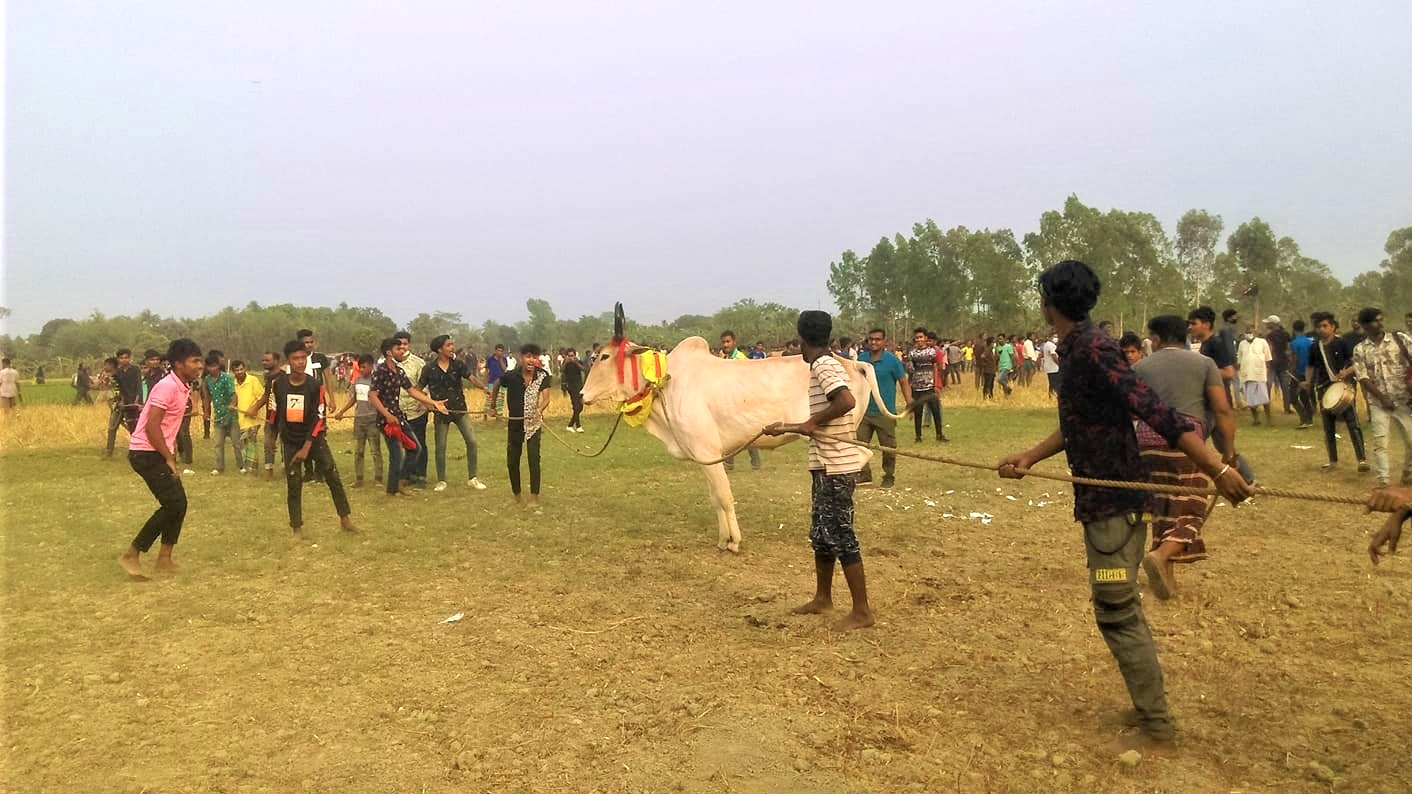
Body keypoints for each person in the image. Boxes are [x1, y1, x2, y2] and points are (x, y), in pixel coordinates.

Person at [998, 260, 1251, 751]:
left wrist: (1217, 469)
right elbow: (1081, 422)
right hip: (1102, 500)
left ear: (1049, 302)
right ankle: (1149, 710)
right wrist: (1031, 455)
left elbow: (1157, 413)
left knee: (1116, 609)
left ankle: (1157, 725)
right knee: (1117, 608)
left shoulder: (1094, 349)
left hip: (1116, 501)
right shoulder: (1077, 349)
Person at [763, 310, 875, 632]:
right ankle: (823, 598)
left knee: (841, 534)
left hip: (837, 465)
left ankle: (862, 611)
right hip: (824, 463)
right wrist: (794, 427)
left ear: (801, 339)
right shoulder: (822, 363)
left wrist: (810, 423)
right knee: (822, 535)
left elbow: (846, 401)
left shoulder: (824, 365)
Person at [1133, 315, 1239, 599]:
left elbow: (1130, 410)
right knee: (1192, 507)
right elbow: (1222, 410)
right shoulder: (1204, 364)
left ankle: (1167, 576)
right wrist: (1228, 453)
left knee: (1164, 506)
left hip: (1147, 439)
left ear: (1155, 339)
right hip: (1188, 441)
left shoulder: (1140, 366)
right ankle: (1162, 554)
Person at [118, 339, 204, 579]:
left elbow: (167, 426)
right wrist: (168, 458)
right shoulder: (167, 387)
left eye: (200, 360)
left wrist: (171, 449)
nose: (200, 365)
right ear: (178, 364)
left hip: (157, 450)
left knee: (179, 504)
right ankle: (132, 553)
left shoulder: (183, 385)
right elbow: (151, 427)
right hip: (145, 453)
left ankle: (164, 559)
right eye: (194, 361)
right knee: (173, 504)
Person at [274, 340, 358, 538]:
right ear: (288, 361)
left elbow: (318, 416)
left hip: (314, 439)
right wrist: (283, 438)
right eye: (295, 358)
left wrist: (307, 446)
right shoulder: (279, 384)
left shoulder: (314, 385)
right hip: (290, 441)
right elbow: (277, 412)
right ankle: (296, 528)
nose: (300, 362)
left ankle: (345, 520)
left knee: (333, 477)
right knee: (294, 484)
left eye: (303, 358)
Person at [369, 337, 447, 497]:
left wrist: (433, 402)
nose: (402, 350)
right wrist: (387, 415)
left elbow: (412, 391)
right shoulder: (380, 371)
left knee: (415, 448)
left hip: (399, 417)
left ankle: (399, 482)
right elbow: (373, 396)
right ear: (389, 353)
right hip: (387, 421)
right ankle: (393, 489)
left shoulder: (399, 372)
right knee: (396, 454)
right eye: (398, 349)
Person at [419, 334, 489, 492]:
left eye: (452, 345)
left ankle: (473, 478)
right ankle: (441, 481)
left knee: (472, 442)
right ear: (439, 349)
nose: (452, 348)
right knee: (441, 446)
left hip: (459, 409)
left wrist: (483, 387)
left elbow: (471, 378)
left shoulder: (458, 364)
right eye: (449, 345)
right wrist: (425, 403)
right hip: (441, 412)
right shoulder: (429, 368)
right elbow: (419, 389)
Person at [1351, 308, 1412, 488]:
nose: (1380, 323)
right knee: (1381, 442)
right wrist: (1382, 398)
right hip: (1378, 402)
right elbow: (1363, 377)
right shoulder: (1360, 349)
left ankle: (1408, 472)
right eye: (1375, 321)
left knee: (1411, 440)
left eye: (1380, 319)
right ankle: (1383, 480)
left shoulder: (1399, 340)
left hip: (1403, 399)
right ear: (1365, 325)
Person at [488, 343, 552, 509]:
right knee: (512, 461)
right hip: (515, 423)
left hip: (533, 424)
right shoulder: (511, 376)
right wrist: (493, 406)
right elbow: (496, 384)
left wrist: (540, 409)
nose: (531, 360)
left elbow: (546, 398)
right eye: (528, 356)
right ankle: (517, 494)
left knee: (533, 459)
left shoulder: (542, 376)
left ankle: (534, 497)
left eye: (534, 356)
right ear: (521, 358)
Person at [1305, 311, 1368, 472]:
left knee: (1352, 424)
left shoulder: (1342, 343)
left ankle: (1362, 460)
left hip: (1343, 387)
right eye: (1318, 326)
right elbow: (1311, 366)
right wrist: (1307, 381)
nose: (1321, 329)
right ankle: (1333, 462)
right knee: (1328, 427)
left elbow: (1357, 364)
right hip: (1324, 388)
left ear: (1333, 327)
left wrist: (1346, 373)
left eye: (1324, 326)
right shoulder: (1314, 347)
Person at [856, 328, 911, 489]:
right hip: (864, 411)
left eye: (877, 339)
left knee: (888, 447)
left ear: (884, 342)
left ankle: (888, 476)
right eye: (871, 339)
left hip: (885, 412)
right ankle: (864, 474)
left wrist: (910, 403)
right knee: (859, 444)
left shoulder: (892, 360)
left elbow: (903, 381)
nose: (874, 342)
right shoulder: (862, 359)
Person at [296, 329, 340, 482]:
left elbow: (328, 379)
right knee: (303, 435)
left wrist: (332, 399)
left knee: (319, 434)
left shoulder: (320, 358)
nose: (309, 345)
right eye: (305, 342)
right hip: (302, 401)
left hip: (319, 400)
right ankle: (308, 472)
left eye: (311, 342)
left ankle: (319, 472)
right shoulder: (297, 359)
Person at [334, 354, 384, 488]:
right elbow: (354, 399)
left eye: (364, 367)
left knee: (375, 451)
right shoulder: (357, 381)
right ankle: (359, 479)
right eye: (360, 367)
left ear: (371, 366)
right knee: (358, 451)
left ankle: (378, 479)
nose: (361, 369)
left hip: (373, 420)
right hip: (359, 420)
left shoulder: (376, 382)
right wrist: (341, 411)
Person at [720, 331, 762, 470]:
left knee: (744, 433)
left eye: (728, 341)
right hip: (730, 400)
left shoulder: (739, 358)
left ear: (734, 342)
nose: (725, 344)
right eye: (724, 342)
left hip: (741, 401)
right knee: (732, 432)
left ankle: (751, 463)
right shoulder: (727, 358)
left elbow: (748, 380)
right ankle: (732, 462)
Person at [202, 353, 242, 474]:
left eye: (214, 366)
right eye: (210, 366)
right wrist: (206, 412)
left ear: (218, 366)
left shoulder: (227, 378)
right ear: (207, 367)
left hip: (231, 415)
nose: (212, 369)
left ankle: (241, 466)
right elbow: (207, 398)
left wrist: (232, 404)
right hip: (219, 417)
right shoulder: (207, 380)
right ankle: (219, 467)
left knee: (236, 443)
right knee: (218, 444)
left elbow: (233, 394)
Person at [905, 328, 946, 442]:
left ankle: (939, 435)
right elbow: (910, 370)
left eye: (921, 337)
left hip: (930, 386)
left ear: (926, 338)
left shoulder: (931, 352)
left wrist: (936, 384)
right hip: (917, 387)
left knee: (935, 411)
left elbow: (936, 367)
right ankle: (918, 437)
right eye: (917, 337)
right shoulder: (912, 353)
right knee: (918, 412)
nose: (919, 340)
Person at [231, 360, 266, 477]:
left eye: (241, 369)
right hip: (239, 419)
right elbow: (234, 398)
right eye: (237, 370)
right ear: (233, 371)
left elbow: (262, 397)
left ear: (245, 368)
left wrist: (254, 409)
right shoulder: (233, 383)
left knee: (250, 443)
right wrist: (232, 405)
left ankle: (252, 469)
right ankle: (248, 467)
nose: (240, 372)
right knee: (242, 443)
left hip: (252, 419)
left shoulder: (253, 380)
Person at [105, 349, 143, 457]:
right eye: (121, 358)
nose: (124, 360)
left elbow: (138, 385)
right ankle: (109, 451)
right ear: (118, 359)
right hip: (120, 403)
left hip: (132, 403)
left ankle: (135, 451)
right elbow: (112, 385)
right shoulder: (117, 372)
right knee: (112, 427)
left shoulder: (135, 370)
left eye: (126, 357)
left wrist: (137, 400)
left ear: (130, 358)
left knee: (133, 428)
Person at [1236, 326, 1273, 426]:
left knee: (1265, 398)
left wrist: (1267, 373)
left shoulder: (1262, 342)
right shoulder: (1242, 344)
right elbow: (1239, 359)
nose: (1249, 334)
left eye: (1251, 332)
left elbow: (1268, 359)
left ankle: (1269, 419)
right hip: (1247, 374)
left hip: (1259, 374)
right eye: (1247, 332)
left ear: (1255, 333)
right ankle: (1256, 419)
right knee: (1250, 400)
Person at [259, 351, 285, 480]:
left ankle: (287, 469)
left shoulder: (284, 377)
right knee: (268, 443)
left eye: (267, 360)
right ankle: (268, 469)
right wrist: (254, 408)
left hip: (283, 417)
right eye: (263, 360)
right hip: (270, 417)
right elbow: (266, 395)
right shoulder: (268, 377)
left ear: (276, 361)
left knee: (285, 444)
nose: (264, 362)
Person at [1288, 319, 1316, 428]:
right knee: (1304, 396)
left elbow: (1294, 359)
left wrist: (1290, 371)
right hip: (1310, 371)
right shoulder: (1310, 341)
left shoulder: (1294, 343)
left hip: (1299, 372)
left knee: (1293, 397)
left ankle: (1304, 419)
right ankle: (1310, 418)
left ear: (1294, 330)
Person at [1263, 316, 1293, 415]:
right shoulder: (1286, 334)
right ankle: (1287, 408)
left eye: (1268, 323)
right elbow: (1288, 349)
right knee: (1285, 386)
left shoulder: (1269, 335)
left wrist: (1268, 361)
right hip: (1283, 362)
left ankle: (1266, 408)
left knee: (1268, 385)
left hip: (1272, 363)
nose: (1267, 324)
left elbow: (1269, 349)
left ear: (1273, 324)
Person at [560, 348, 587, 432]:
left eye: (572, 355)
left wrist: (576, 362)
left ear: (575, 355)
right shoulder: (566, 363)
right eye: (569, 355)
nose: (571, 357)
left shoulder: (578, 362)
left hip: (579, 386)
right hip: (571, 387)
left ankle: (570, 425)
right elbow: (561, 370)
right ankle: (578, 426)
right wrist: (566, 362)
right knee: (576, 406)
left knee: (580, 407)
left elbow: (584, 369)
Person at [976, 335, 998, 399]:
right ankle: (985, 396)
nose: (994, 344)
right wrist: (985, 363)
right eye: (993, 342)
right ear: (990, 343)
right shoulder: (987, 349)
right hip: (987, 370)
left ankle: (991, 396)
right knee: (987, 384)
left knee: (991, 384)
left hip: (993, 369)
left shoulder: (993, 350)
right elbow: (982, 356)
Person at [1041, 333, 1061, 398]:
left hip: (1049, 367)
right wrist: (1059, 364)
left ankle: (1051, 396)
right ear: (1050, 337)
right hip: (1053, 367)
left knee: (1052, 383)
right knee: (1055, 383)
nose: (1056, 338)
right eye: (1054, 337)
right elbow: (1054, 356)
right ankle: (1055, 396)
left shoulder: (1046, 344)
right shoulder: (1052, 345)